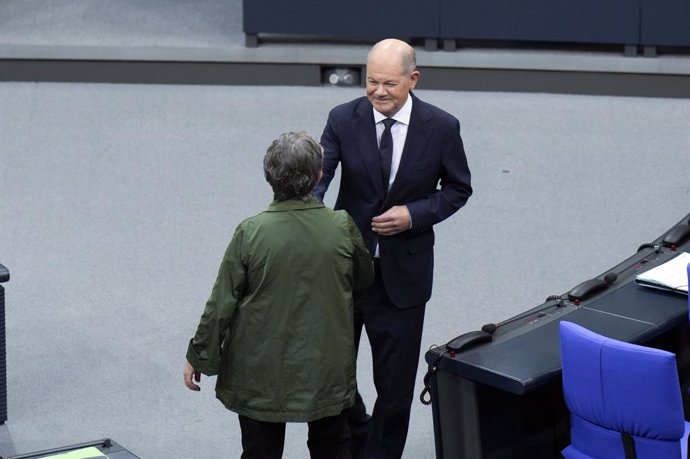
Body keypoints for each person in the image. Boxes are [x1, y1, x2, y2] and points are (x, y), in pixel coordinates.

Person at [313, 38, 473, 459]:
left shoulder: (441, 128)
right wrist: (305, 215)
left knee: (395, 389)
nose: (378, 92)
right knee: (331, 374)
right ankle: (357, 437)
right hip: (345, 273)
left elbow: (458, 189)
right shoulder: (342, 119)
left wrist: (414, 214)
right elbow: (318, 179)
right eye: (371, 82)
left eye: (389, 83)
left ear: (413, 79)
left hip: (402, 281)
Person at [184, 131, 375, 459]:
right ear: (318, 175)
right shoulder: (342, 226)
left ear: (269, 176)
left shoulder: (251, 232)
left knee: (260, 451)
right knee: (332, 447)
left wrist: (198, 355)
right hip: (324, 368)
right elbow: (363, 276)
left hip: (260, 372)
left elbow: (221, 304)